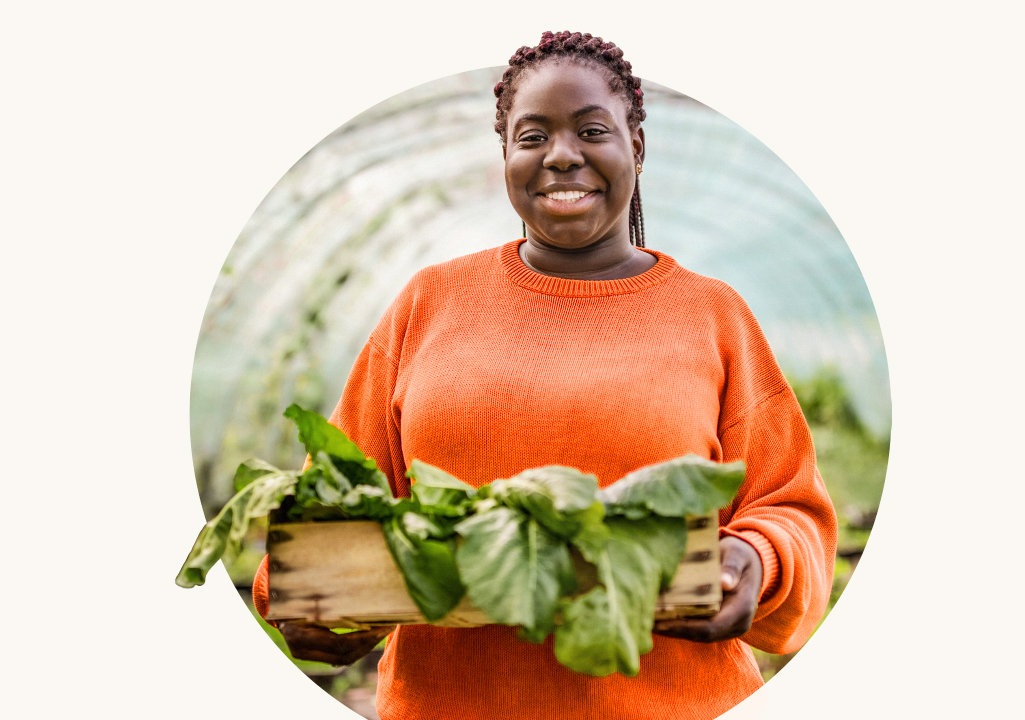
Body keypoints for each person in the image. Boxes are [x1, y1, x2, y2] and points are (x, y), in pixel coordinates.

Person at [252, 30, 836, 720]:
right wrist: (318, 598)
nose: (563, 155)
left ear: (636, 150)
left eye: (592, 130)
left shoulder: (713, 315)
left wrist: (757, 559)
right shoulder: (428, 304)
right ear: (506, 156)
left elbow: (790, 508)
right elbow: (335, 503)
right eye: (533, 137)